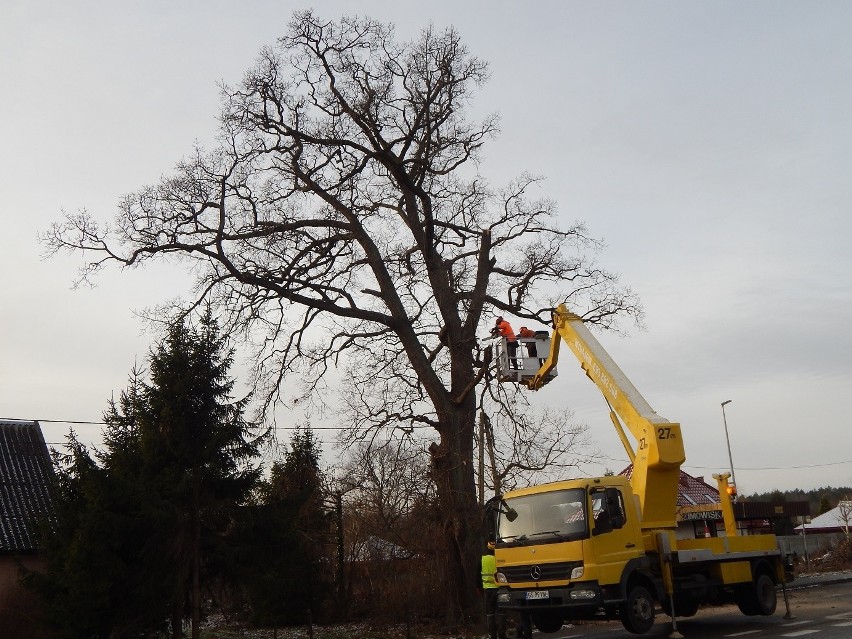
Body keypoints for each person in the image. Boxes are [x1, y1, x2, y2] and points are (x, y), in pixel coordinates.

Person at [481, 540, 505, 639]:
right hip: (499, 590)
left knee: (490, 614)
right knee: (501, 613)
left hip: (487, 591)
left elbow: (477, 575)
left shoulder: (482, 559)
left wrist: (478, 587)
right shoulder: (500, 559)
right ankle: (502, 635)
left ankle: (493, 635)